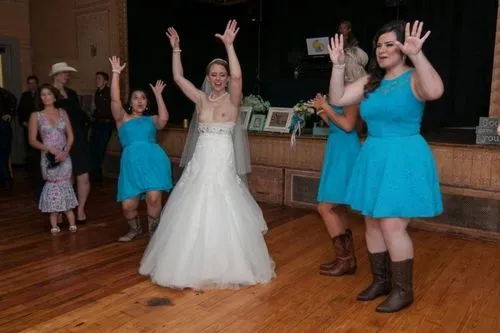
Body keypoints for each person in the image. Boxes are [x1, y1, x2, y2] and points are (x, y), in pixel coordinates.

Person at [139, 20, 276, 290]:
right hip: (200, 161)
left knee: (222, 202)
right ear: (208, 76)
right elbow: (178, 79)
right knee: (192, 204)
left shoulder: (233, 100)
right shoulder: (201, 99)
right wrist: (176, 50)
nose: (218, 78)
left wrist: (229, 46)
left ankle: (225, 263)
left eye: (221, 74)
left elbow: (238, 77)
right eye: (213, 74)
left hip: (221, 160)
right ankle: (187, 264)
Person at [328, 20, 444, 313]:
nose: (381, 50)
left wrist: (418, 55)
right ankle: (381, 281)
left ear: (403, 47)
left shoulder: (415, 77)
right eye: (378, 45)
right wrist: (338, 66)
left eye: (389, 44)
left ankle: (403, 290)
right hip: (374, 155)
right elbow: (338, 98)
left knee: (392, 224)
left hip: (404, 156)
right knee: (371, 221)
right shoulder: (371, 81)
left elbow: (435, 91)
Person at [108, 56, 173, 242]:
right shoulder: (122, 119)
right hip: (131, 165)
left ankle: (154, 233)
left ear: (146, 102)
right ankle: (135, 229)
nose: (139, 101)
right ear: (130, 102)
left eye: (143, 98)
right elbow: (114, 100)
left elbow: (164, 120)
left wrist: (159, 95)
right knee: (128, 206)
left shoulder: (152, 119)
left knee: (154, 198)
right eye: (135, 98)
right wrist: (116, 74)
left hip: (154, 161)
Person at [307, 93, 360, 277]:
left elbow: (348, 125)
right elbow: (336, 125)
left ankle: (344, 260)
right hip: (337, 148)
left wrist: (326, 106)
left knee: (325, 207)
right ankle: (348, 260)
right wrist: (321, 111)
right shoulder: (340, 93)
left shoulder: (350, 96)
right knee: (338, 208)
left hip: (345, 152)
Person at [28, 84, 78, 234]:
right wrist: (49, 149)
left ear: (54, 96)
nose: (46, 97)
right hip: (49, 156)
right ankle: (55, 220)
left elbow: (70, 136)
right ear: (40, 98)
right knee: (53, 186)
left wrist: (65, 151)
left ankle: (69, 219)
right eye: (43, 95)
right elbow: (32, 140)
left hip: (65, 155)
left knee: (66, 184)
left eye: (49, 94)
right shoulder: (36, 116)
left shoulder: (62, 112)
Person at [50, 62, 91, 224]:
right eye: (65, 73)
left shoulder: (72, 93)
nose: (68, 76)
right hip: (58, 138)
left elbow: (79, 114)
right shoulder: (48, 93)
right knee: (64, 176)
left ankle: (80, 210)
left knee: (84, 174)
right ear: (57, 75)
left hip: (78, 137)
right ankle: (61, 210)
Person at [89, 71, 114, 183]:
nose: (96, 81)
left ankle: (96, 173)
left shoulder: (109, 92)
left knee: (101, 147)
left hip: (107, 123)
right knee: (93, 146)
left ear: (105, 81)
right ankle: (94, 171)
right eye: (96, 78)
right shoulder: (97, 92)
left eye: (99, 78)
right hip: (97, 122)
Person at [0, 86, 17, 190]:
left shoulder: (4, 93)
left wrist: (9, 114)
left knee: (3, 153)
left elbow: (12, 102)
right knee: (3, 153)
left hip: (2, 126)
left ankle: (6, 178)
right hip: (3, 126)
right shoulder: (5, 93)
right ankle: (6, 178)